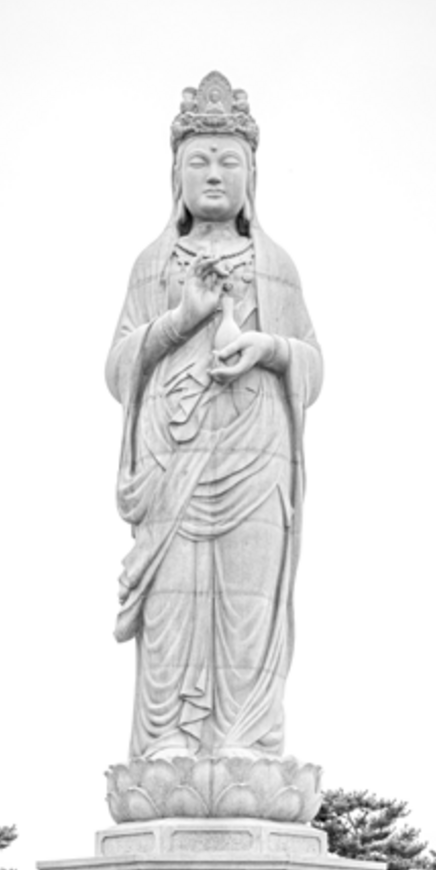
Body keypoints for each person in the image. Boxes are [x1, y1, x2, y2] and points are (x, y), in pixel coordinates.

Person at [106, 71, 323, 760]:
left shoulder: (275, 265)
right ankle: (168, 738)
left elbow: (314, 366)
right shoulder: (153, 263)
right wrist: (181, 320)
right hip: (173, 456)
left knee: (246, 602)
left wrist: (270, 346)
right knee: (175, 601)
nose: (214, 173)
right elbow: (117, 369)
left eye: (230, 159)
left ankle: (244, 740)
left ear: (252, 174)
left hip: (257, 455)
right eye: (198, 159)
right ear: (175, 173)